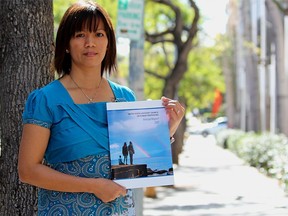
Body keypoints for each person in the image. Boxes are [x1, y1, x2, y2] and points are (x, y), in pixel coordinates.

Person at [17, 1, 185, 215]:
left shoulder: (125, 98)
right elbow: (28, 171)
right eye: (80, 35)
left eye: (98, 34)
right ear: (66, 44)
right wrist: (93, 186)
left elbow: (138, 167)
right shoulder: (45, 99)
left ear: (108, 43)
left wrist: (166, 130)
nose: (90, 43)